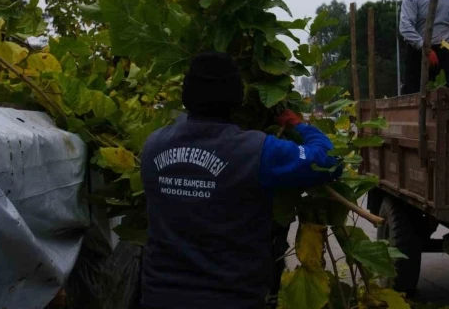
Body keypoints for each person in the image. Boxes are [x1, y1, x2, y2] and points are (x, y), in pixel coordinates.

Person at [139, 51, 341, 309]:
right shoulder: (255, 151)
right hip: (231, 299)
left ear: (186, 95)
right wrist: (297, 125)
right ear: (237, 98)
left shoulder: (153, 145)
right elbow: (327, 161)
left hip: (160, 298)